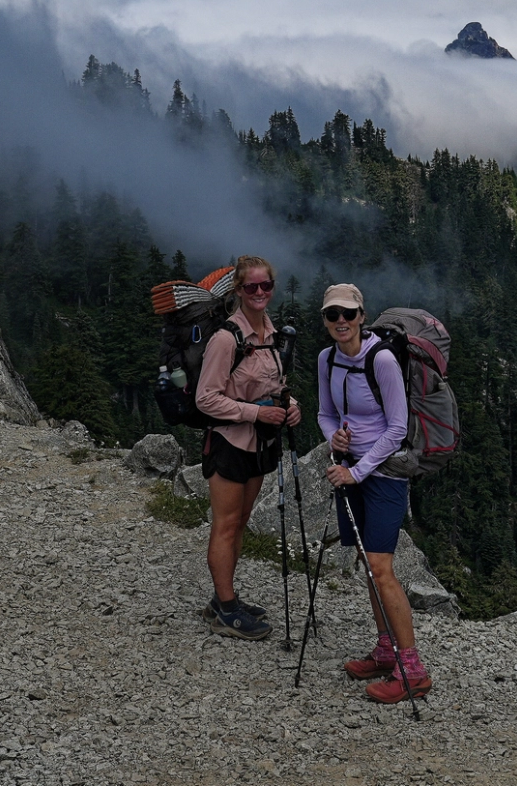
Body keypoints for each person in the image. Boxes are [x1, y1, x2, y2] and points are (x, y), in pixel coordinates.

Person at [318, 283, 429, 702]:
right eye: (333, 315)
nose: (341, 321)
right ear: (325, 320)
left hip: (383, 474)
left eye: (348, 314)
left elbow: (397, 428)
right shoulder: (327, 359)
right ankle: (386, 651)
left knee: (381, 568)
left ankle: (413, 670)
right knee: (368, 562)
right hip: (351, 470)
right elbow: (325, 413)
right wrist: (334, 439)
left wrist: (357, 471)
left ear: (362, 316)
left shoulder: (381, 359)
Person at [194, 254, 300, 639]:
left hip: (259, 444)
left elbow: (277, 387)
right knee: (225, 526)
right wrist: (256, 413)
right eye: (251, 286)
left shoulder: (272, 335)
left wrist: (291, 407)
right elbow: (205, 399)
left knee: (239, 522)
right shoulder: (226, 339)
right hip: (229, 444)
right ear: (238, 290)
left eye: (265, 285)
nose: (259, 292)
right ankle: (226, 611)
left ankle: (224, 599)